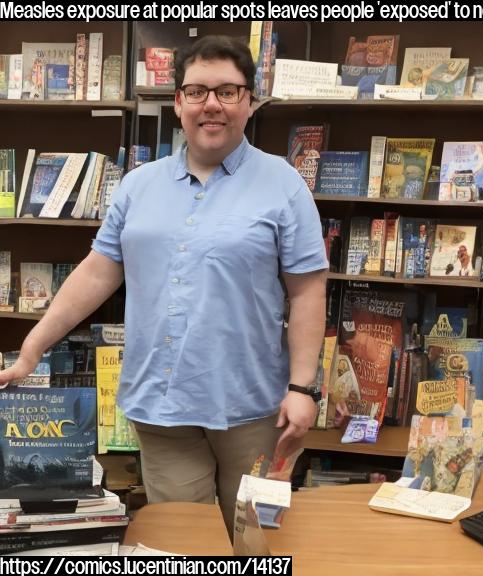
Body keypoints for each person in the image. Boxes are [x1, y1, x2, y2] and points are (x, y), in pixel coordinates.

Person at [0, 35, 328, 530]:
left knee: (255, 536)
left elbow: (307, 291)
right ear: (178, 103)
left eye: (228, 91)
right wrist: (31, 350)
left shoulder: (284, 185)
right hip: (161, 405)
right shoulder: (138, 185)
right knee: (183, 540)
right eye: (196, 91)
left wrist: (303, 387)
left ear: (250, 101)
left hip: (254, 408)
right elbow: (96, 273)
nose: (211, 104)